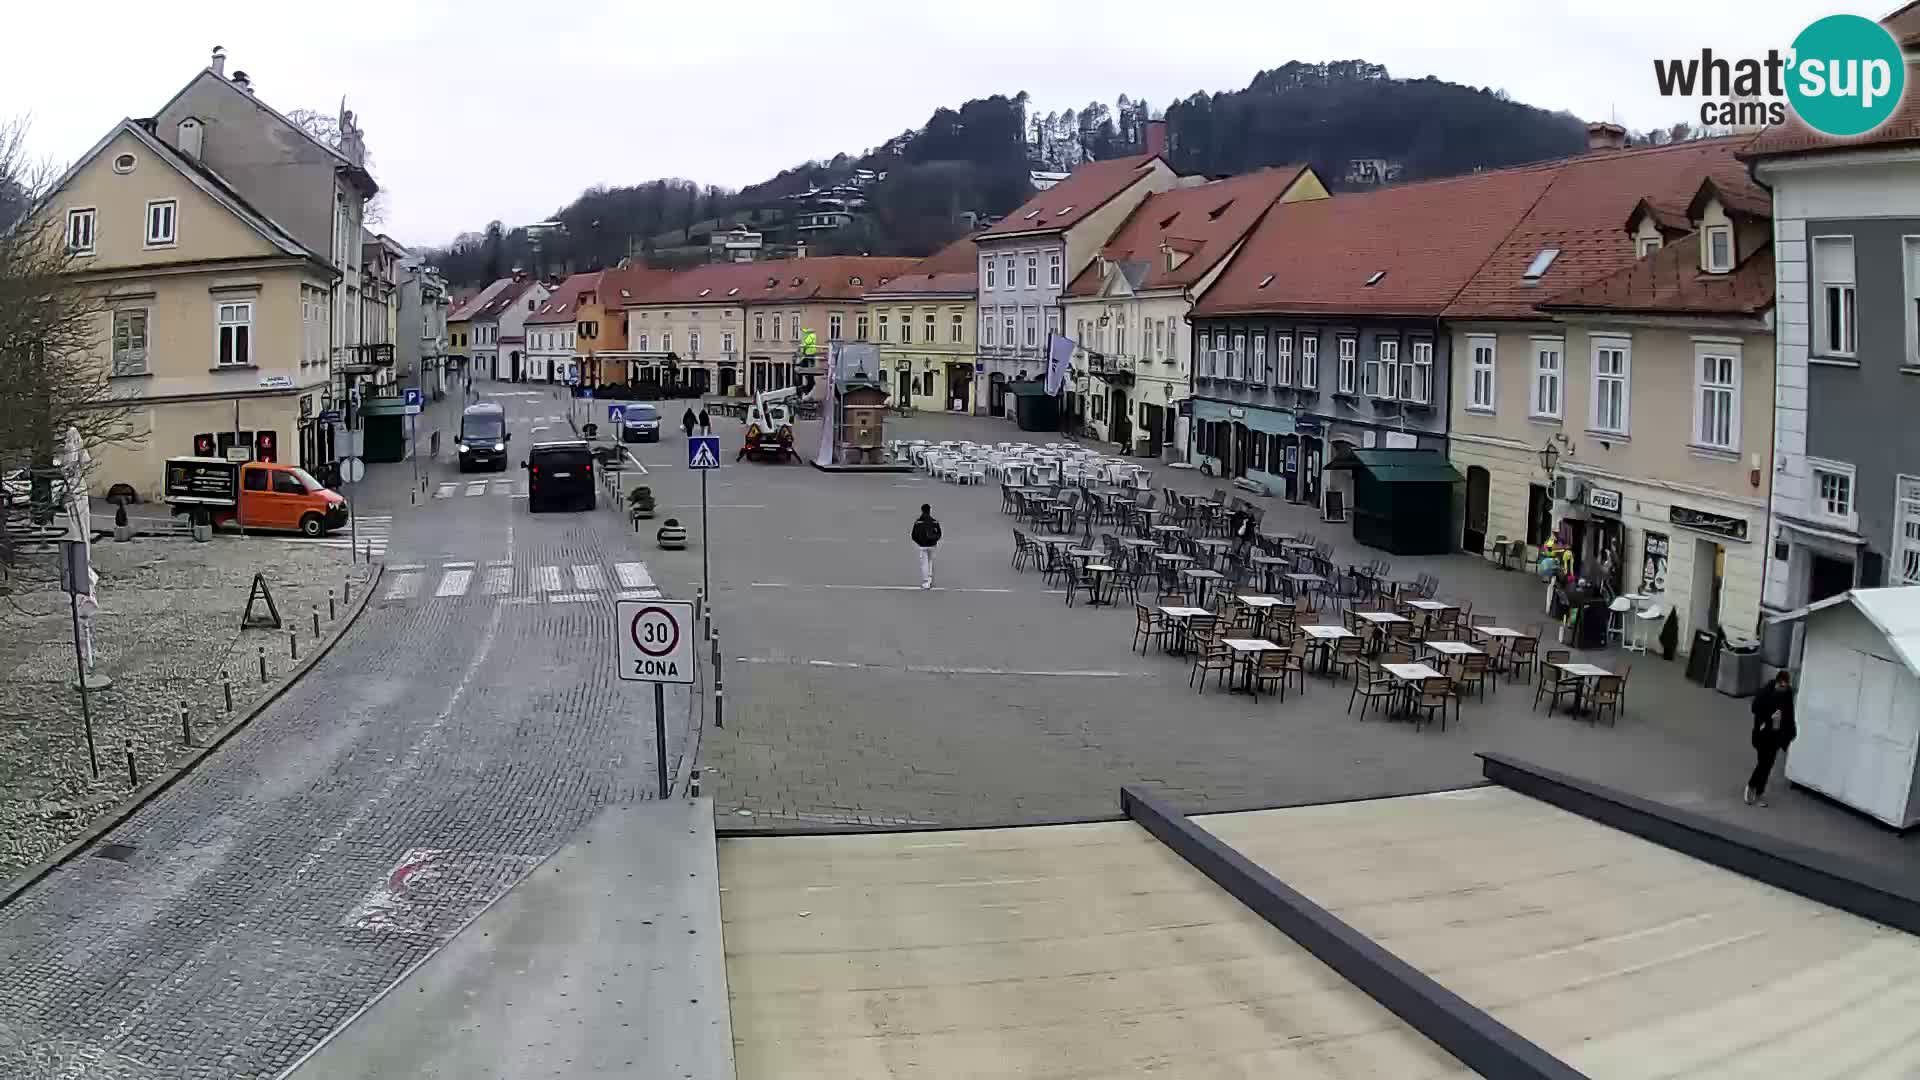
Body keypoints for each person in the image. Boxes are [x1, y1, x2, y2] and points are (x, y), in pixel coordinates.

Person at [1746, 670, 1797, 807]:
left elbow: (1790, 714)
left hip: (1775, 735)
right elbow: (1755, 708)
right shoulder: (1765, 692)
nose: (1782, 689)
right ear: (1776, 682)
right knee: (1763, 763)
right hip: (1762, 734)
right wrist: (1770, 718)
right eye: (1780, 686)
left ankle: (1759, 793)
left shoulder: (1787, 694)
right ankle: (1752, 787)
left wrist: (1791, 733)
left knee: (1768, 765)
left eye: (1785, 687)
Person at [910, 503, 942, 590]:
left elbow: (913, 535)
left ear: (922, 510)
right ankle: (930, 579)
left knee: (924, 563)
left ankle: (926, 581)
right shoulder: (934, 522)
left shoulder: (918, 522)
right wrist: (934, 540)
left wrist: (919, 542)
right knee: (930, 561)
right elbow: (939, 533)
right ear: (929, 510)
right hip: (932, 545)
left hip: (922, 546)